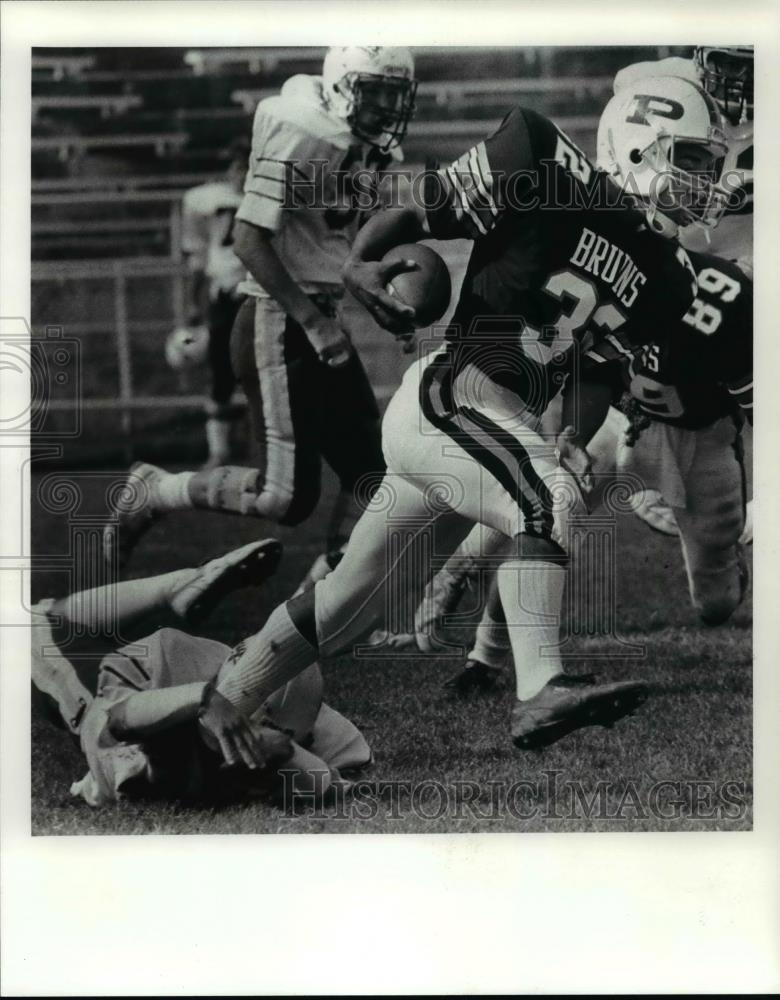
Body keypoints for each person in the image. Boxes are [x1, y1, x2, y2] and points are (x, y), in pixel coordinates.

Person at [208, 75, 724, 751]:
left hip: (481, 427)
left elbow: (601, 367)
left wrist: (571, 431)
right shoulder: (542, 158)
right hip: (450, 395)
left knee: (349, 607)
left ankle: (225, 700)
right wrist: (359, 263)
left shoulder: (667, 271)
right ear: (635, 145)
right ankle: (540, 691)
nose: (700, 184)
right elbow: (420, 213)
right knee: (544, 494)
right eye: (688, 161)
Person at [104, 47, 418, 580]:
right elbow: (250, 242)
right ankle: (155, 491)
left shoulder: (362, 146)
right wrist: (314, 323)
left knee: (376, 473)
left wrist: (372, 301)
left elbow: (329, 250)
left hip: (319, 316)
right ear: (343, 87)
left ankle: (332, 580)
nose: (387, 105)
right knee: (285, 497)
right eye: (376, 91)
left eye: (396, 93)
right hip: (276, 321)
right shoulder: (303, 130)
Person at [31, 539, 370, 807]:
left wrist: (205, 699)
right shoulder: (291, 742)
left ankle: (180, 584)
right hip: (183, 687)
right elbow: (340, 767)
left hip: (113, 704)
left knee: (32, 626)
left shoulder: (163, 764)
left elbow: (120, 717)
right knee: (52, 620)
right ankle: (182, 585)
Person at [179, 139, 250, 468]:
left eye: (247, 165)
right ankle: (218, 451)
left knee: (263, 373)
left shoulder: (270, 199)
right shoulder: (208, 201)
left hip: (258, 294)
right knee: (221, 374)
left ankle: (266, 448)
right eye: (236, 166)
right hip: (222, 294)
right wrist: (193, 302)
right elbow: (198, 256)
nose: (241, 173)